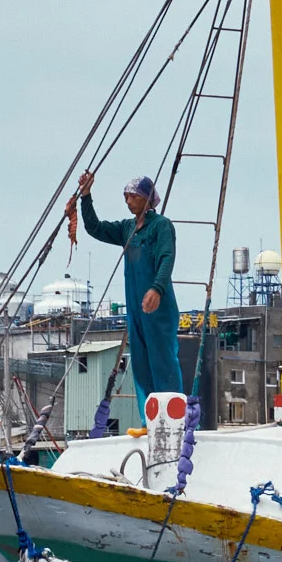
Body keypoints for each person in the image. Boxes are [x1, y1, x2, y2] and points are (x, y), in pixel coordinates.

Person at [74, 172, 180, 414]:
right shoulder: (127, 228)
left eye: (132, 196)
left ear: (146, 198)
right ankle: (150, 418)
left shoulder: (161, 226)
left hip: (158, 306)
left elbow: (166, 257)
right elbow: (95, 228)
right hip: (135, 307)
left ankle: (173, 415)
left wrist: (157, 288)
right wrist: (86, 196)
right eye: (125, 196)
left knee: (163, 361)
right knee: (141, 363)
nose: (128, 200)